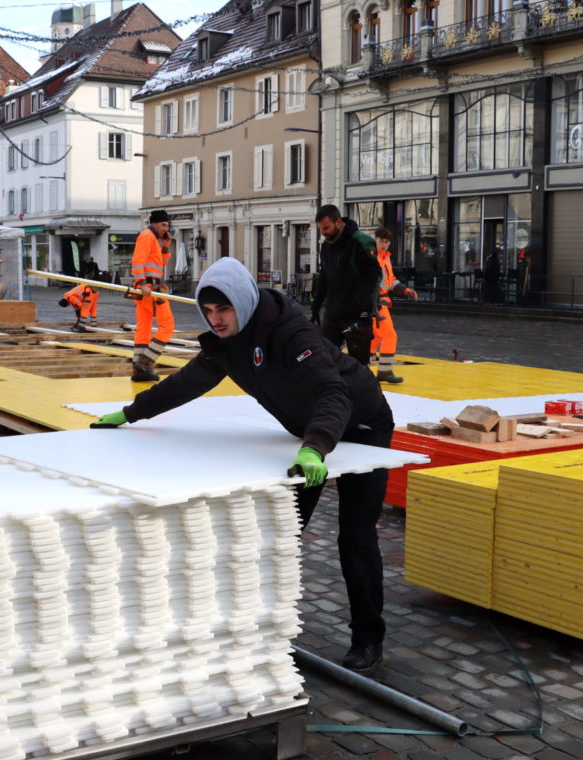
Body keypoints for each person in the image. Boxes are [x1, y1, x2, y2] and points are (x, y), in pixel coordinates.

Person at [91, 257, 395, 672]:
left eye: (224, 309)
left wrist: (315, 448)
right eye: (209, 311)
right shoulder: (225, 345)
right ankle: (267, 632)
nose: (216, 320)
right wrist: (131, 413)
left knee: (355, 537)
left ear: (243, 302)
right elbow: (186, 383)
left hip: (360, 427)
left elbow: (333, 394)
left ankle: (368, 639)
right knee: (284, 533)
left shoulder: (290, 332)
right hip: (310, 434)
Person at [310, 205, 381, 366]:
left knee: (358, 367)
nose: (324, 233)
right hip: (333, 313)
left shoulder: (360, 241)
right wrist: (315, 307)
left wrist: (367, 310)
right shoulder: (326, 247)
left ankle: (365, 391)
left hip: (356, 314)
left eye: (326, 228)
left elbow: (374, 275)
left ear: (338, 222)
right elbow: (324, 277)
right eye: (321, 229)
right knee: (324, 361)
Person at [129, 209, 176, 382]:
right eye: (163, 224)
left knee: (144, 326)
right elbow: (137, 261)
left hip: (148, 288)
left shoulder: (152, 239)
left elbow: (160, 264)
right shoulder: (147, 236)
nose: (166, 228)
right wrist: (142, 283)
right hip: (151, 288)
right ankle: (145, 362)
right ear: (154, 223)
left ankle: (138, 369)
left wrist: (165, 247)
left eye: (167, 225)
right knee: (167, 325)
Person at [370, 228, 418, 384]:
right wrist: (375, 301)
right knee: (389, 335)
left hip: (378, 303)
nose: (383, 244)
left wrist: (405, 290)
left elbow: (390, 281)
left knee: (374, 337)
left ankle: (362, 369)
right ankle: (383, 371)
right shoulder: (373, 258)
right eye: (380, 241)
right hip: (376, 304)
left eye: (386, 242)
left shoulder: (385, 259)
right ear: (375, 240)